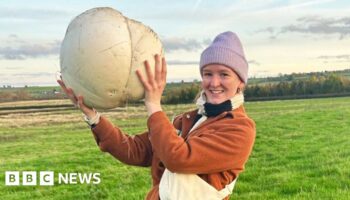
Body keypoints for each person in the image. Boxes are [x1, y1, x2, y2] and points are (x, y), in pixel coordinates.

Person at [58, 31, 255, 200]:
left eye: (224, 74)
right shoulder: (187, 120)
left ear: (240, 82)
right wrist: (93, 116)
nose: (214, 83)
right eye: (207, 73)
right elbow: (135, 149)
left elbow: (178, 158)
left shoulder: (240, 129)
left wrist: (153, 104)